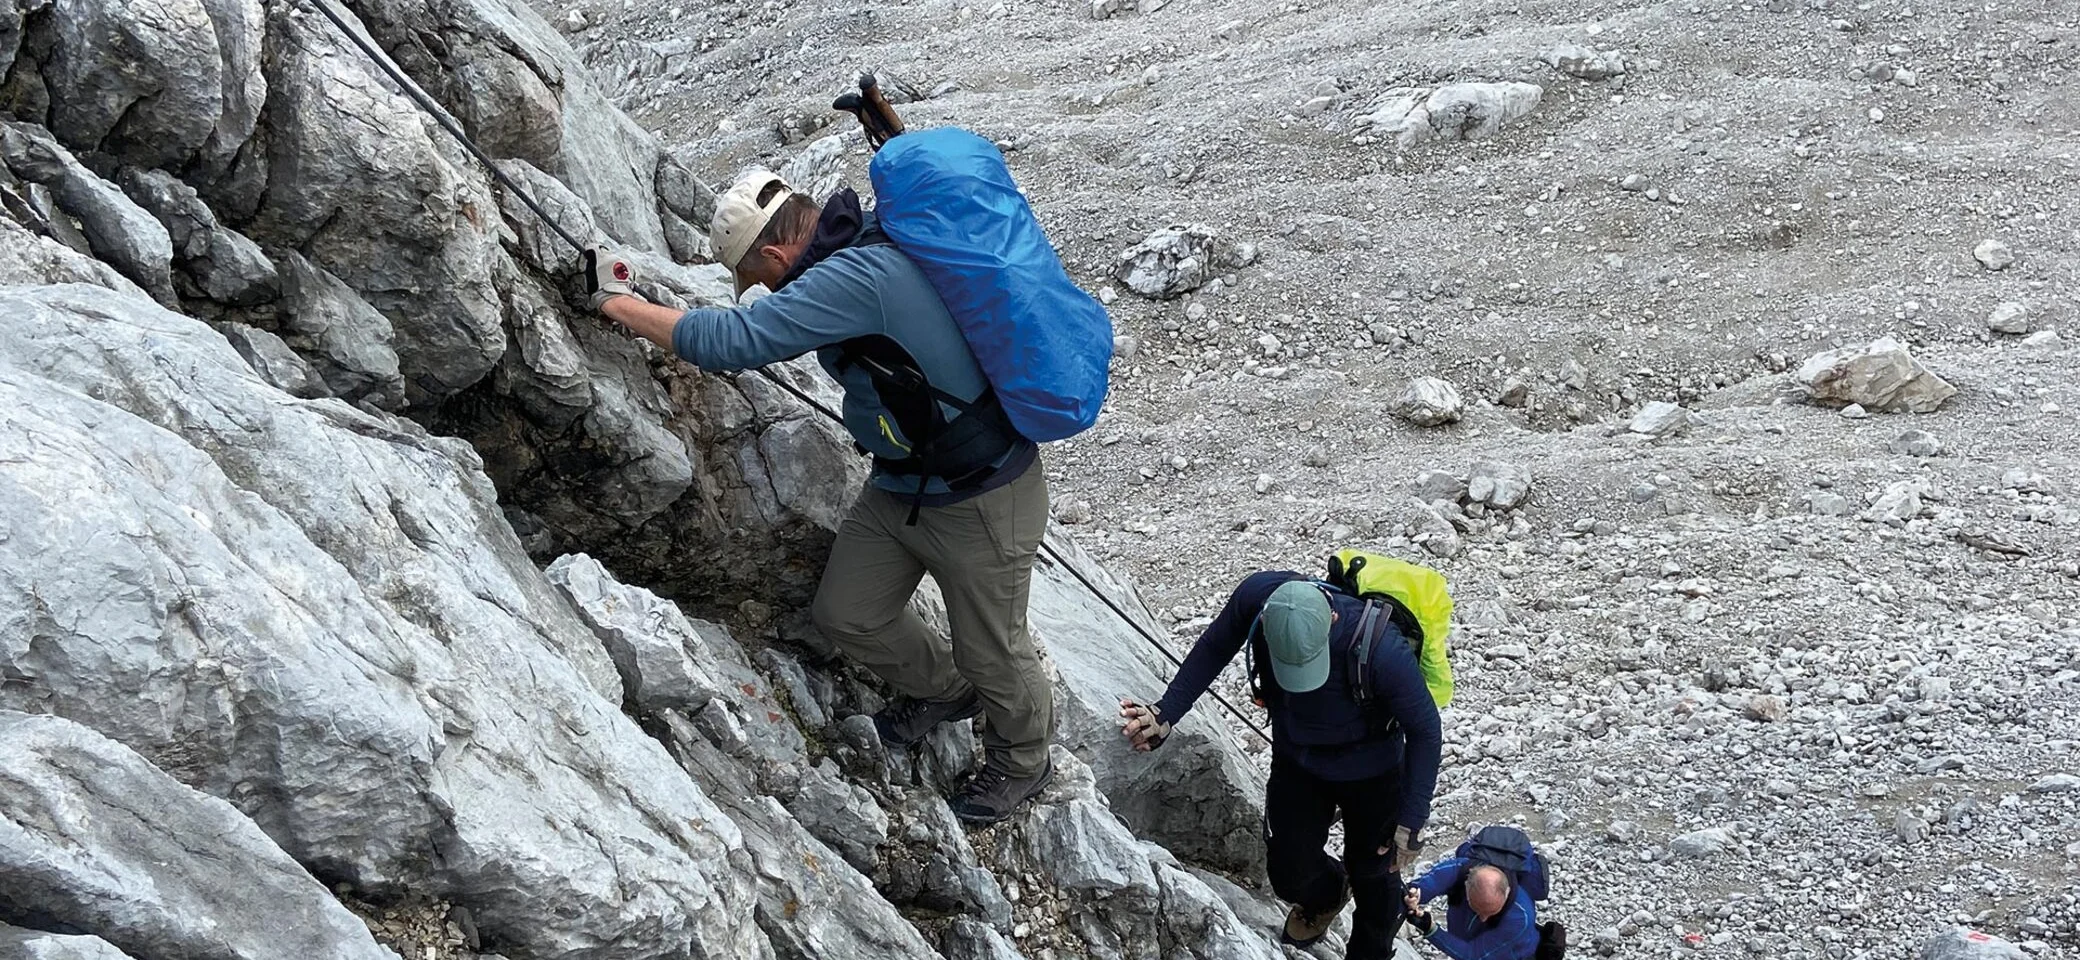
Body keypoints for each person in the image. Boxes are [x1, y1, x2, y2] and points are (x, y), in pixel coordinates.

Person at [585, 171, 1053, 824]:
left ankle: (1023, 761)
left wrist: (617, 305)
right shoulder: (852, 252)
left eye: (759, 280)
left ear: (774, 256)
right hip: (902, 483)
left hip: (982, 496)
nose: (764, 293)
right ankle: (948, 690)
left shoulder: (855, 277)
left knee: (995, 649)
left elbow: (736, 342)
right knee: (848, 613)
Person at [1120, 571, 1443, 959]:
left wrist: (1412, 817)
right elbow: (1214, 647)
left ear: (1333, 620)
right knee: (1289, 871)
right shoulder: (1258, 597)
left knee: (1374, 878)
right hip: (1298, 760)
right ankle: (1327, 895)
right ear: (1265, 621)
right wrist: (1166, 712)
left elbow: (1426, 729)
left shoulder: (1381, 650)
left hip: (1373, 773)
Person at [1402, 826, 1563, 960]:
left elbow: (1473, 955)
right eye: (1477, 909)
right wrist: (1413, 897)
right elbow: (1417, 888)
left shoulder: (1520, 916)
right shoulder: (1456, 871)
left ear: (1506, 892)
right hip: (1470, 942)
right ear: (1467, 885)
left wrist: (1431, 929)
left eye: (1491, 912)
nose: (1484, 918)